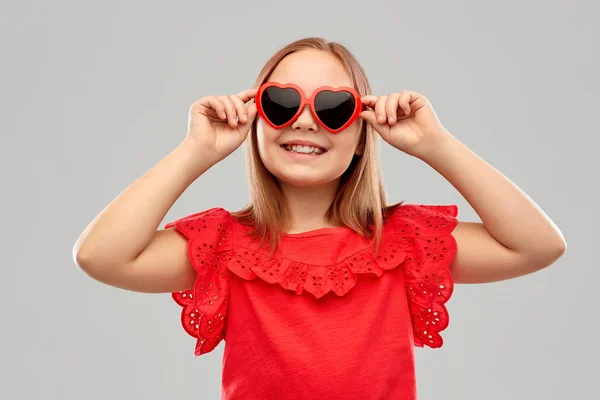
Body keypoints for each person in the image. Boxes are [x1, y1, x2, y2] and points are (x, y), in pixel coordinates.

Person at [73, 37, 566, 399]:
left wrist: (436, 146)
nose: (306, 119)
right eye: (282, 103)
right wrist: (195, 151)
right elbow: (101, 256)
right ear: (256, 119)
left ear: (361, 133)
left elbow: (537, 245)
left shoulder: (402, 241)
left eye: (333, 107)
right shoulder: (225, 245)